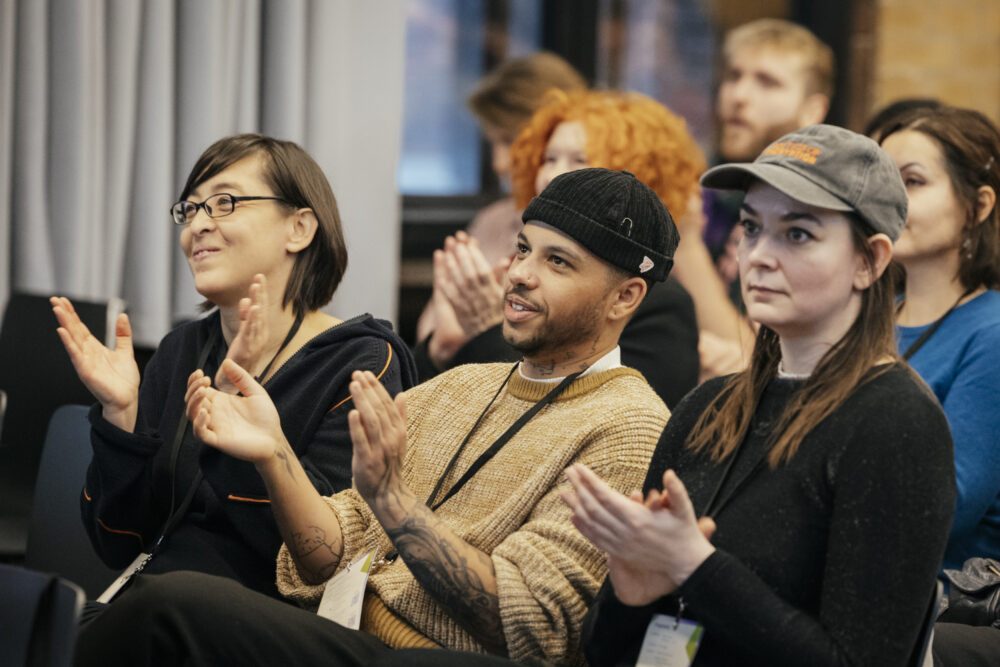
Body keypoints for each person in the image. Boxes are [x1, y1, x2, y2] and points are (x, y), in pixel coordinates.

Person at [73, 167, 675, 666]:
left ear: (625, 297)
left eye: (558, 262)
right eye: (522, 249)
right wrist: (274, 454)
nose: (518, 274)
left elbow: (531, 627)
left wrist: (393, 502)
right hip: (347, 630)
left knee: (170, 610)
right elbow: (325, 556)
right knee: (140, 612)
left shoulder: (628, 426)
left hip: (434, 656)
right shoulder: (463, 387)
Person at [565, 125, 955, 665]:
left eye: (797, 234)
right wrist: (635, 594)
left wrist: (696, 568)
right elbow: (607, 652)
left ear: (870, 260)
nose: (760, 257)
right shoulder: (707, 408)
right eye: (751, 228)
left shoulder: (896, 423)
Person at [51, 134, 417, 600]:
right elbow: (118, 544)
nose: (198, 225)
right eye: (191, 209)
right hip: (155, 607)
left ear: (299, 229)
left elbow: (326, 565)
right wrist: (120, 417)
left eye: (224, 203)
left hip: (265, 624)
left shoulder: (362, 363)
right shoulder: (181, 351)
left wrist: (250, 448)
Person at [419, 89, 703, 408]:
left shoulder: (659, 304)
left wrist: (488, 332)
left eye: (579, 161)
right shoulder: (510, 262)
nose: (553, 174)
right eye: (549, 158)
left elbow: (589, 417)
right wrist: (440, 351)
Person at [879, 107, 1000, 572]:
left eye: (912, 181)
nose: (891, 200)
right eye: (884, 182)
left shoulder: (990, 334)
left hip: (942, 602)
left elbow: (945, 508)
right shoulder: (871, 317)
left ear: (979, 205)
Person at [680, 19, 835, 378]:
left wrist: (686, 244)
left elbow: (754, 361)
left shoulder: (816, 216)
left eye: (767, 82)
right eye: (733, 76)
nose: (738, 96)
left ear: (812, 111)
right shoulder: (711, 192)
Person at [415, 52, 585, 346]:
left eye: (510, 141)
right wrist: (439, 349)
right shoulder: (492, 220)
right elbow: (432, 331)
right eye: (493, 142)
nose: (499, 163)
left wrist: (487, 330)